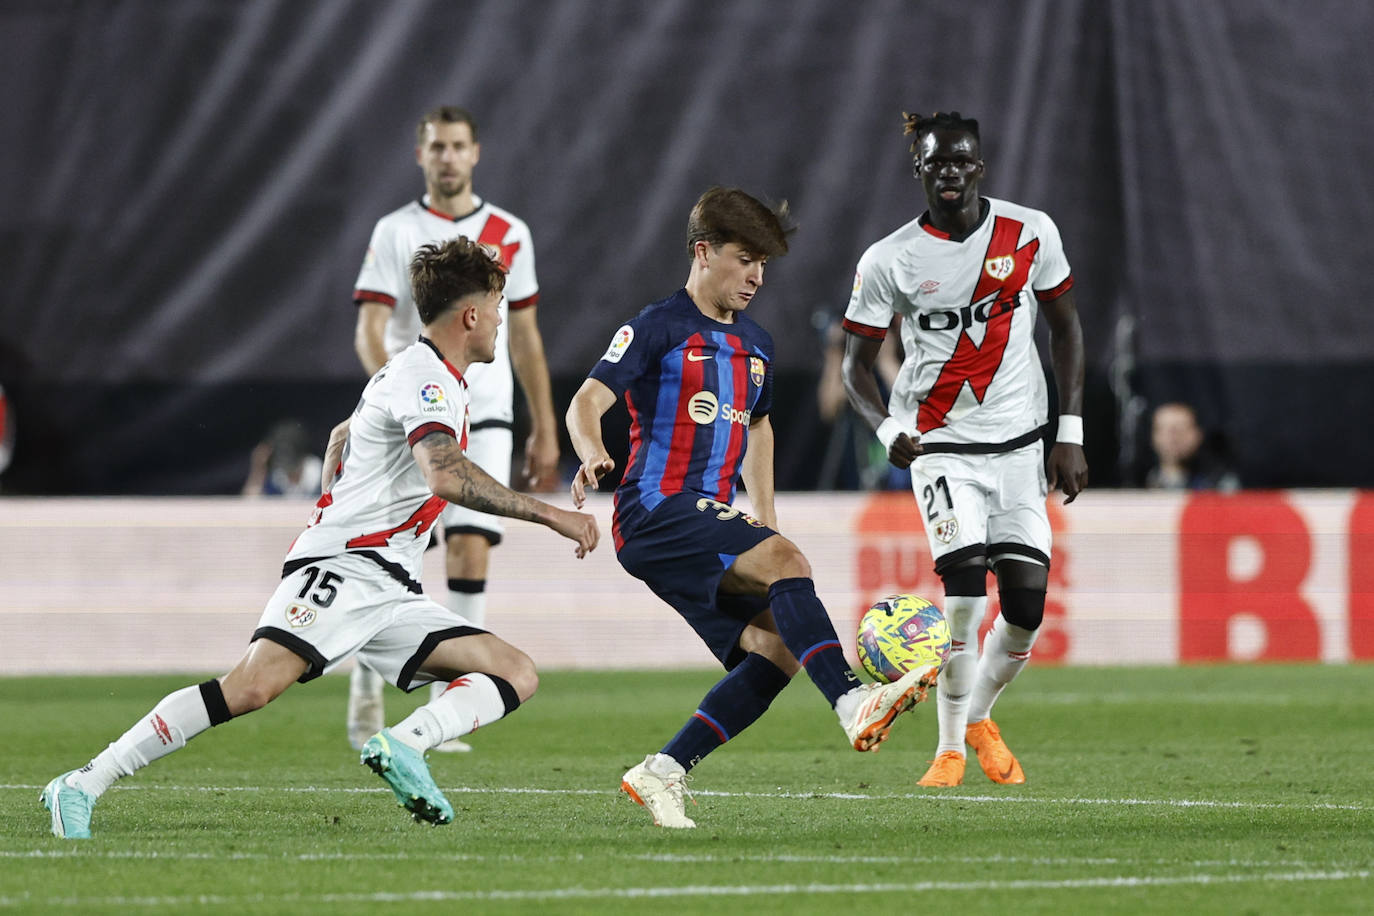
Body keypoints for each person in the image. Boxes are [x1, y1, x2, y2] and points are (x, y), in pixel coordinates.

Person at [40, 237, 598, 839]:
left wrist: (350, 428)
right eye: (495, 306)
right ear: (469, 314)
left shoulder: (429, 374)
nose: (498, 320)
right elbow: (443, 472)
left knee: (514, 672)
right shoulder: (425, 375)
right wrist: (549, 515)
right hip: (345, 565)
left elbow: (370, 425)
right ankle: (82, 781)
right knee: (250, 688)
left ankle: (404, 746)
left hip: (389, 585)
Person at [566, 187, 934, 830]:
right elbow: (586, 401)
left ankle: (662, 771)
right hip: (655, 507)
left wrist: (763, 517)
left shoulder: (757, 345)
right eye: (745, 259)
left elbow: (758, 430)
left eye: (764, 262)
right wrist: (593, 451)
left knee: (776, 649)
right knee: (789, 565)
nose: (757, 275)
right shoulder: (658, 325)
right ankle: (851, 703)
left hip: (698, 519)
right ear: (704, 254)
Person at [840, 111, 1089, 788]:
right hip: (941, 445)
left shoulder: (1030, 232)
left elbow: (1066, 329)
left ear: (979, 168)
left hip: (1020, 446)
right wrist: (888, 428)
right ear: (917, 171)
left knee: (1027, 609)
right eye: (935, 164)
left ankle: (977, 716)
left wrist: (1070, 430)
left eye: (960, 163)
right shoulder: (889, 258)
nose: (949, 174)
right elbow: (853, 366)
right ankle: (948, 751)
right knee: (963, 595)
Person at [349, 105, 560, 753]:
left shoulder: (510, 233)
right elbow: (370, 328)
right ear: (421, 156)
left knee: (471, 546)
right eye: (436, 146)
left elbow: (523, 335)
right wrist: (391, 395)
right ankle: (365, 682)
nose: (447, 157)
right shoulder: (394, 231)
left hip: (485, 408)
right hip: (413, 414)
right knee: (395, 551)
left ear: (476, 153)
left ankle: (452, 703)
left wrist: (544, 424)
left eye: (457, 146)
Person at [1144, 401, 1239, 491]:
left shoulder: (1220, 485)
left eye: (1180, 429)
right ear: (1153, 436)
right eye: (1164, 430)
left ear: (1198, 435)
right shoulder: (1138, 483)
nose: (1173, 439)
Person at [241, 418, 324, 498]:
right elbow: (250, 501)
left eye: (289, 453)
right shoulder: (276, 476)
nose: (285, 457)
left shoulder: (319, 472)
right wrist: (258, 468)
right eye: (282, 452)